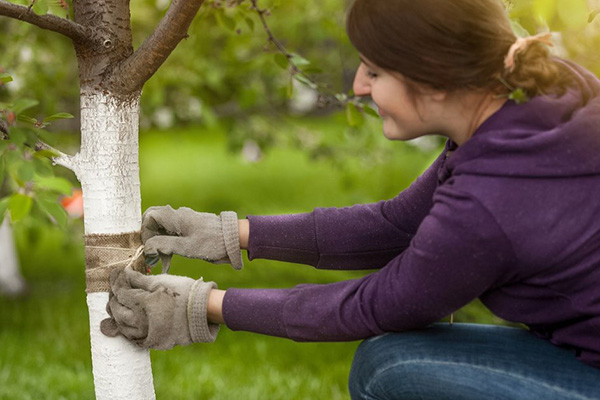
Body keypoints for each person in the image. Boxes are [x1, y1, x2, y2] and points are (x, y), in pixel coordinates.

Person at [100, 0, 600, 398]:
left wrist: (200, 306)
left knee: (389, 368)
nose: (358, 86)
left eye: (375, 71)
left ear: (433, 78)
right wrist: (232, 234)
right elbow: (394, 226)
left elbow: (371, 306)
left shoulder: (492, 198)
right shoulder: (534, 105)